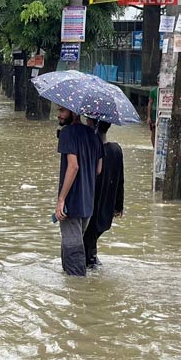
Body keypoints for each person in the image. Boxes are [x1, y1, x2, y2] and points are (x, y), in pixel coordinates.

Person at [54, 106, 103, 277]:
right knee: (73, 243)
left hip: (71, 202)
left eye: (62, 111)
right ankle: (68, 282)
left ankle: (78, 293)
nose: (58, 114)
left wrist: (61, 199)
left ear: (73, 113)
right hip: (87, 202)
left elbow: (73, 166)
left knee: (72, 248)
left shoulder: (67, 133)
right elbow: (98, 169)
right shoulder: (94, 134)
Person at [84, 119, 124, 269]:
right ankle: (93, 264)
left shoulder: (92, 151)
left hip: (90, 205)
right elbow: (120, 180)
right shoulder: (116, 150)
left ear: (92, 125)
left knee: (87, 243)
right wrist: (119, 206)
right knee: (91, 242)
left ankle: (91, 270)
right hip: (106, 206)